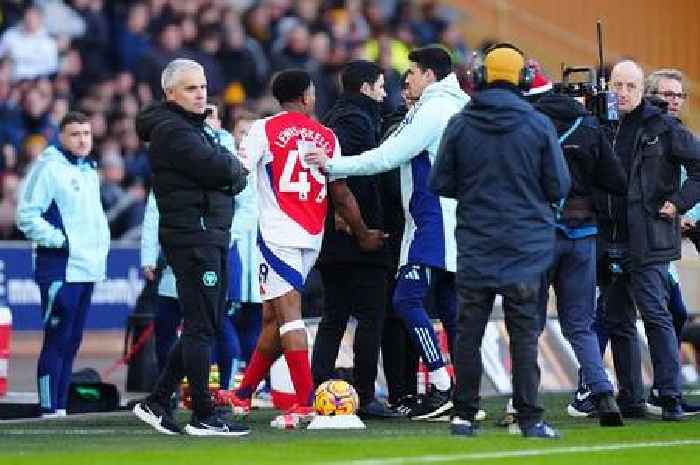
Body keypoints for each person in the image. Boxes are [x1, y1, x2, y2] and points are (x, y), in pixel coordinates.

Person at [306, 46, 470, 420]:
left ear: (429, 75)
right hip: (452, 222)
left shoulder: (432, 110)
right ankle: (465, 394)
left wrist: (332, 164)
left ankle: (443, 384)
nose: (405, 79)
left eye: (411, 71)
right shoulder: (461, 106)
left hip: (431, 223)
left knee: (405, 301)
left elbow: (385, 157)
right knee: (450, 307)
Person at [221, 69, 385, 424]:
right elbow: (340, 193)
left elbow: (238, 172)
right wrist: (362, 232)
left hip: (279, 233)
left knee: (289, 317)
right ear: (307, 97)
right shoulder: (326, 136)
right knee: (273, 316)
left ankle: (307, 401)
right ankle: (245, 392)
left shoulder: (264, 129)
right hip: (312, 237)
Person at [430, 43, 570, 438]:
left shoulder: (460, 123)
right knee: (525, 336)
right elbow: (559, 185)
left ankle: (463, 416)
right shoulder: (539, 125)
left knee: (468, 333)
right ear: (524, 79)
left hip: (475, 246)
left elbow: (439, 182)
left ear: (479, 77)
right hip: (526, 250)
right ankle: (530, 420)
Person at [133, 59, 249, 436]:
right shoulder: (173, 131)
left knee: (206, 324)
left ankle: (158, 400)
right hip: (194, 237)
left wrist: (228, 171)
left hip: (207, 234)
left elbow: (229, 172)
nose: (200, 94)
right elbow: (225, 171)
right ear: (170, 93)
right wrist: (229, 171)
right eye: (190, 88)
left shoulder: (190, 128)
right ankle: (202, 413)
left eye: (202, 87)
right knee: (201, 327)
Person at [594, 60, 700, 421]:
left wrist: (679, 202)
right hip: (609, 237)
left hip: (650, 236)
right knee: (618, 320)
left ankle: (669, 396)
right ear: (609, 87)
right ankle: (631, 397)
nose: (622, 93)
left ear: (642, 91)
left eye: (629, 86)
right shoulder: (601, 125)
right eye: (617, 85)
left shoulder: (665, 126)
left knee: (656, 315)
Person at [523, 63, 626, 427]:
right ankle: (603, 394)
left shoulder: (530, 126)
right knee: (580, 326)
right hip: (583, 238)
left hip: (539, 237)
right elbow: (616, 181)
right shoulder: (590, 126)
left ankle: (522, 404)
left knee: (528, 324)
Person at [311, 60, 397, 418]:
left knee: (334, 316)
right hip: (359, 236)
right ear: (364, 88)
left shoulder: (336, 117)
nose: (384, 93)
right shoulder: (355, 121)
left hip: (336, 238)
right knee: (369, 316)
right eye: (379, 86)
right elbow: (348, 179)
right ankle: (363, 393)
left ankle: (318, 388)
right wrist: (361, 229)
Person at [16, 111, 110, 418]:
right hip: (60, 268)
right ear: (61, 136)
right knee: (57, 339)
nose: (82, 140)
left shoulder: (88, 169)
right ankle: (47, 408)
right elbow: (27, 215)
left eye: (86, 134)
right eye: (75, 134)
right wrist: (62, 241)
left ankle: (60, 406)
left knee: (72, 340)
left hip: (86, 268)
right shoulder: (48, 168)